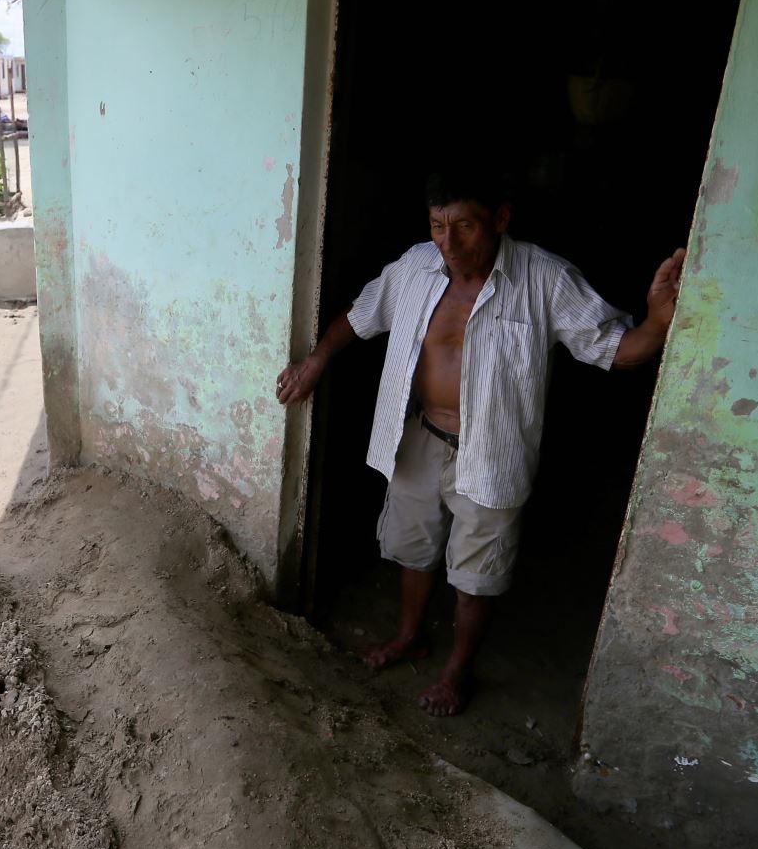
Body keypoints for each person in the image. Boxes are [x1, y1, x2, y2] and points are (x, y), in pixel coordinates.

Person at [275, 165, 683, 716]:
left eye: (464, 226)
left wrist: (658, 322)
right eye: (438, 225)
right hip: (419, 435)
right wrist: (317, 360)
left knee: (476, 574)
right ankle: (409, 635)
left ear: (500, 219)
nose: (448, 241)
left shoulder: (543, 278)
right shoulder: (416, 267)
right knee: (413, 550)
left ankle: (455, 672)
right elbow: (361, 314)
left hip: (492, 451)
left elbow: (616, 350)